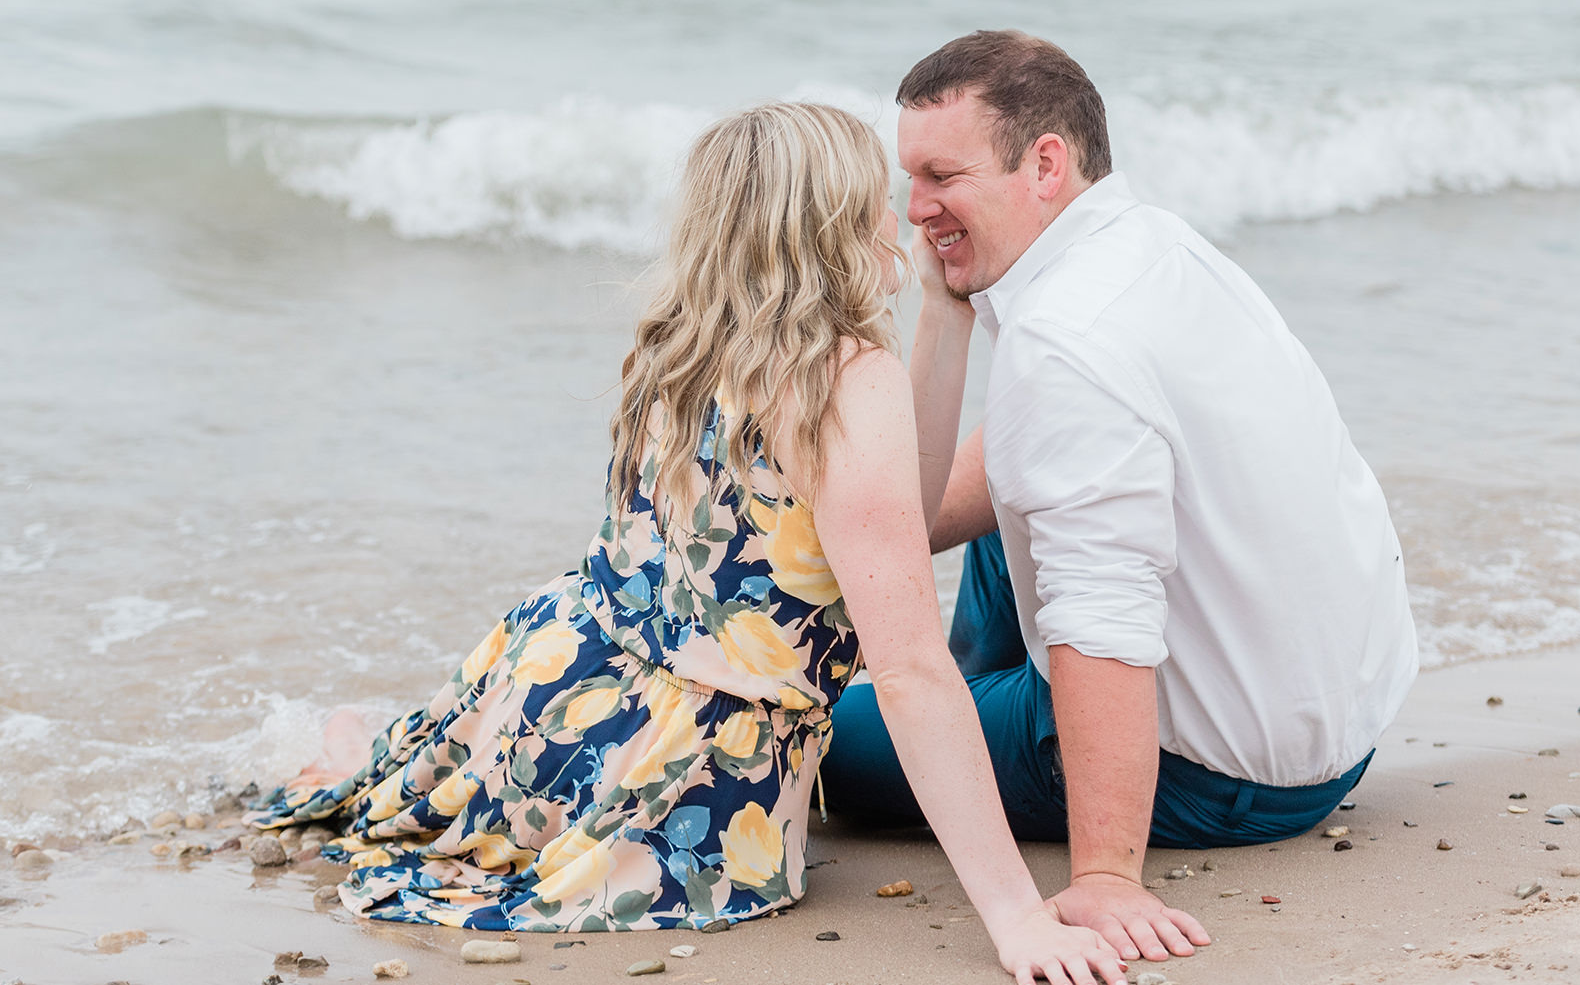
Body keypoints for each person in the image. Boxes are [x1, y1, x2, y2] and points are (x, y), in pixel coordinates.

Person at [248, 102, 1126, 985]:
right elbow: (908, 671)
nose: (897, 215)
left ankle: (354, 747)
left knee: (379, 791)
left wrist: (946, 311)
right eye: (875, 199)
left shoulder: (685, 348)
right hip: (684, 767)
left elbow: (898, 504)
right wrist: (1017, 918)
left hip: (552, 691)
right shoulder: (846, 378)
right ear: (831, 224)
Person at [821, 32, 1420, 965]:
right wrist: (875, 526)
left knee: (826, 744)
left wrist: (1106, 875)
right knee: (1037, 486)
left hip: (1221, 779)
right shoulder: (1150, 243)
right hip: (1335, 723)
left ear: (1046, 164)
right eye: (910, 178)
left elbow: (1105, 614)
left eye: (942, 176)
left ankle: (981, 731)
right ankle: (978, 703)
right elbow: (1015, 468)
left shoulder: (1066, 345)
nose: (915, 210)